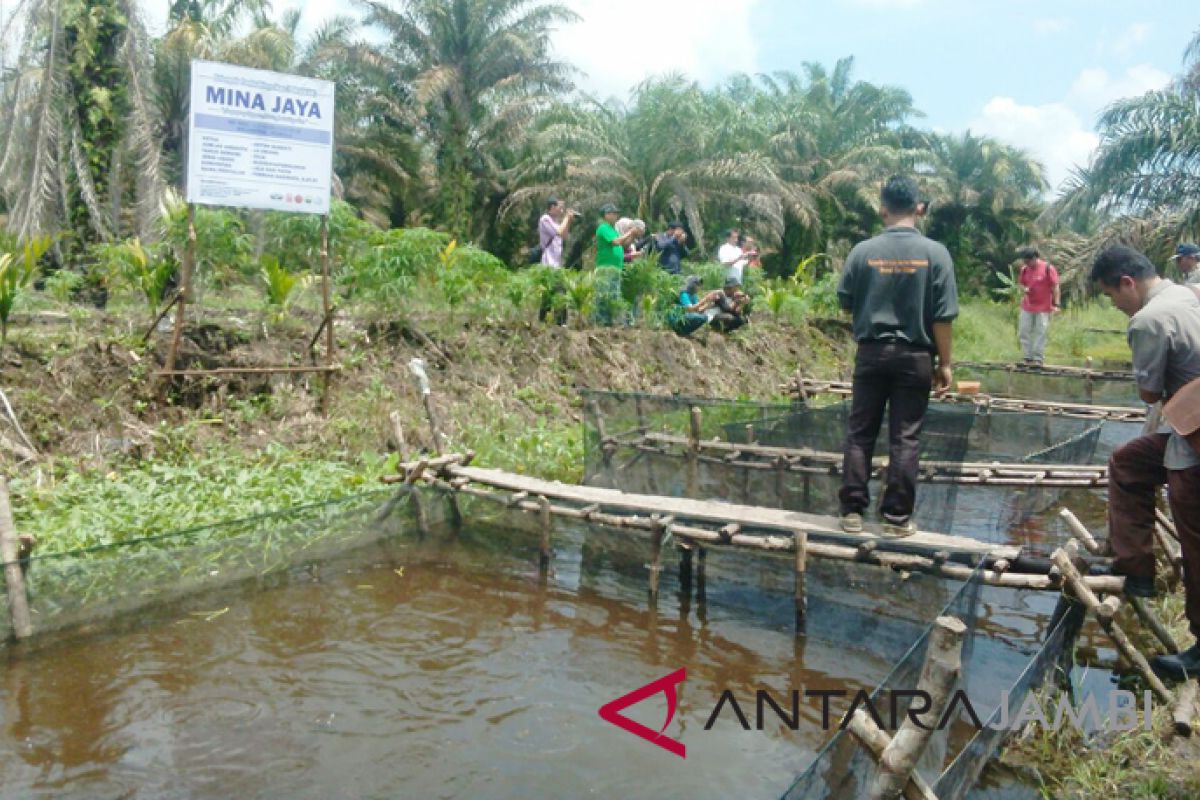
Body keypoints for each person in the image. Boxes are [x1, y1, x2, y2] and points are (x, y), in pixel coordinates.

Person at [1088, 245, 1200, 681]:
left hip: (1191, 438)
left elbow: (1150, 395)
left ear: (1128, 283)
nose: (1115, 306)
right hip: (1184, 427)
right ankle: (1137, 569)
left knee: (1195, 540)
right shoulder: (1189, 294)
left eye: (1112, 296)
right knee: (1129, 463)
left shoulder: (1149, 320)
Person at [836, 175, 958, 537]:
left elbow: (846, 301)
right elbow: (942, 317)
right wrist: (946, 363)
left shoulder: (862, 251)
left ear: (882, 209)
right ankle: (895, 520)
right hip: (915, 357)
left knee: (860, 432)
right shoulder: (936, 254)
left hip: (871, 353)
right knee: (905, 437)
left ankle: (852, 513)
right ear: (919, 209)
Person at [594, 203, 641, 325]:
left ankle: (609, 321)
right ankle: (600, 321)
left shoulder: (613, 229)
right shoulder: (603, 227)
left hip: (615, 268)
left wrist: (633, 235)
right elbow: (616, 242)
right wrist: (630, 232)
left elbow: (623, 244)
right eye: (614, 214)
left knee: (613, 295)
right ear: (606, 215)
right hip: (606, 267)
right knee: (604, 294)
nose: (616, 216)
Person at [1016, 246, 1060, 365]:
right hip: (1027, 305)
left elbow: (1055, 286)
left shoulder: (1047, 268)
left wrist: (1056, 304)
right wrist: (1024, 289)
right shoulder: (1024, 269)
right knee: (1024, 331)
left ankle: (1038, 358)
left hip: (1043, 307)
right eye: (1025, 262)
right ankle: (1027, 357)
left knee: (1040, 332)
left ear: (1035, 258)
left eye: (1029, 261)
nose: (1027, 264)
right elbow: (1020, 284)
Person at [537, 197, 576, 268]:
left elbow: (564, 236)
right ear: (552, 207)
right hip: (548, 260)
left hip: (556, 261)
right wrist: (566, 217)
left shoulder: (555, 222)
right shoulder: (545, 219)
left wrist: (569, 221)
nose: (561, 210)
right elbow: (559, 232)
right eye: (560, 207)